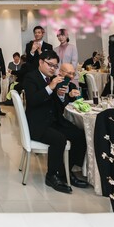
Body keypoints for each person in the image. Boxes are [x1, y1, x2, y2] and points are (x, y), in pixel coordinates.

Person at [22, 50, 87, 194]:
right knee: (59, 139)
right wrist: (50, 87)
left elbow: (60, 106)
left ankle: (65, 171)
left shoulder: (54, 79)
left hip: (54, 120)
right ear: (41, 62)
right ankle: (51, 175)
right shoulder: (31, 77)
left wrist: (61, 95)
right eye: (50, 65)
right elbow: (33, 100)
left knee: (79, 135)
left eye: (55, 66)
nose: (53, 68)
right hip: (37, 124)